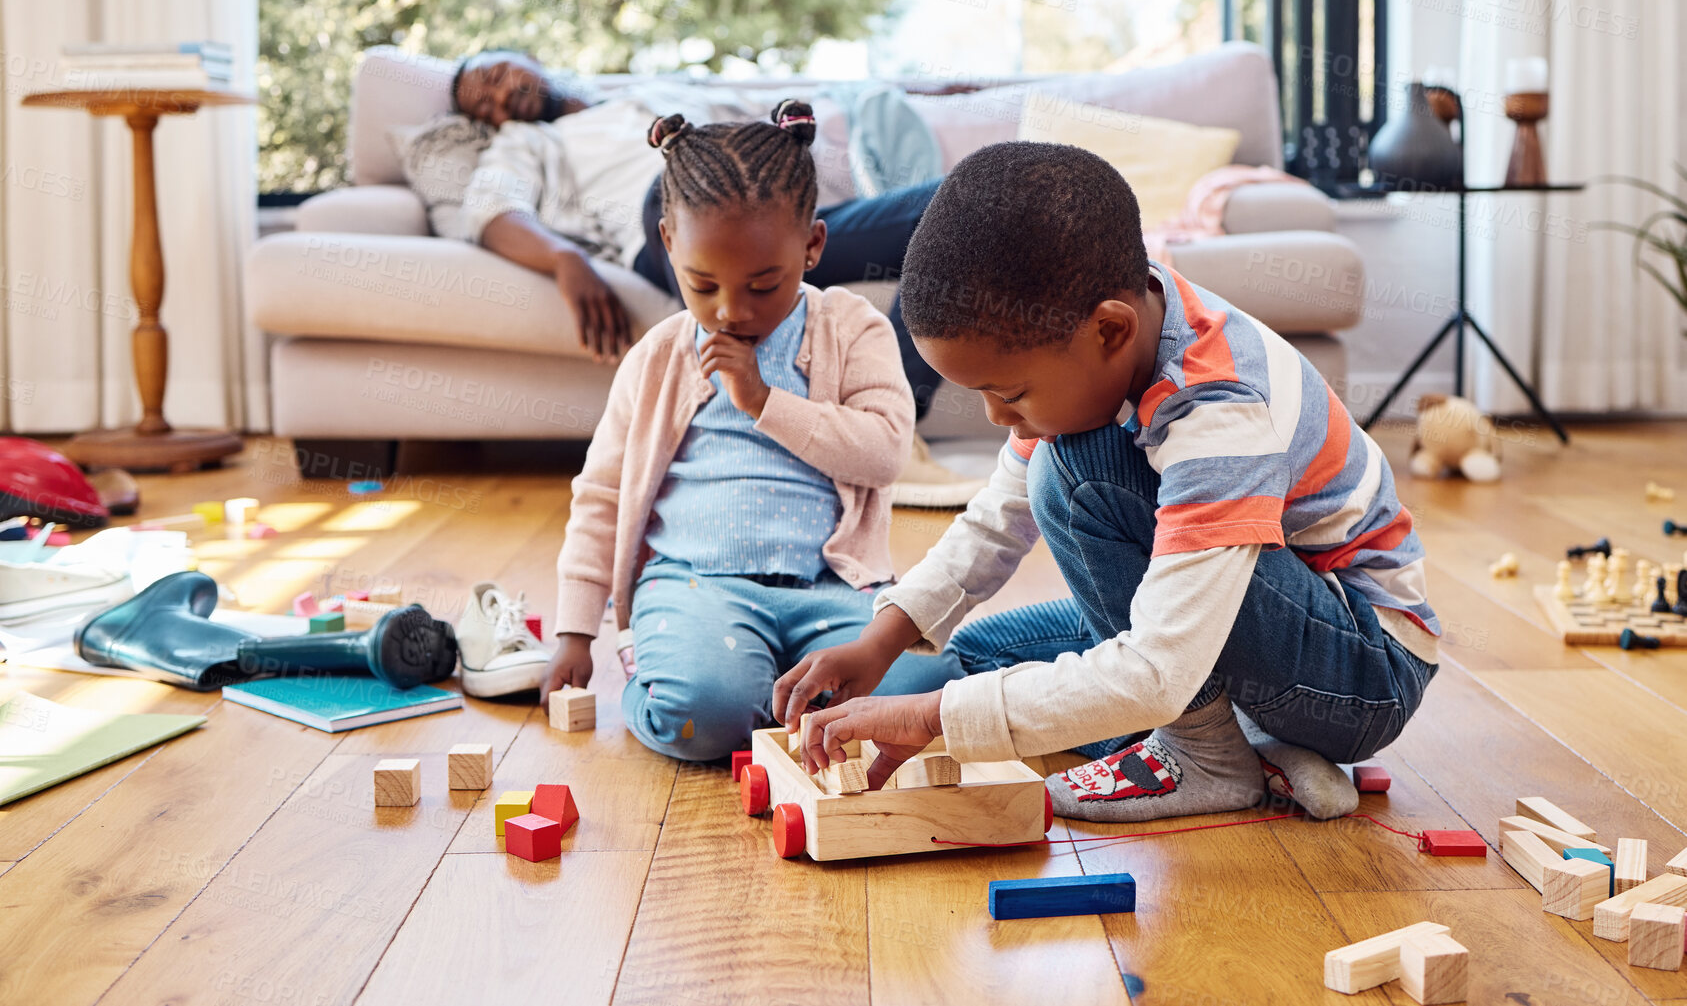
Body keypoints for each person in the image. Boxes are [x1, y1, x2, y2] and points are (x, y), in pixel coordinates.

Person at [772, 141, 1439, 824]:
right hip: (1253, 626)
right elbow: (998, 512)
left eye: (1010, 392)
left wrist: (932, 718)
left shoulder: (1219, 411)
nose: (997, 417)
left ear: (1109, 330)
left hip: (1363, 673)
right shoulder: (1113, 310)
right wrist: (882, 635)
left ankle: (1205, 755)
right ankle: (1259, 747)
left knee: (1080, 473)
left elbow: (1157, 667)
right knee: (976, 656)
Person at [536, 101, 961, 761]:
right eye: (702, 285)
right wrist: (572, 629)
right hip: (695, 584)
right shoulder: (657, 356)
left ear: (813, 246)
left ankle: (766, 694)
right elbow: (601, 493)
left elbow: (883, 453)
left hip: (832, 588)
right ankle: (707, 679)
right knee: (698, 716)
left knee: (926, 687)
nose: (732, 310)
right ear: (668, 244)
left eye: (764, 285)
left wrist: (764, 400)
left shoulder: (850, 329)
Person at [449, 50, 980, 507]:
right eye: (483, 106)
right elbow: (494, 210)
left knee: (956, 205)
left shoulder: (659, 88)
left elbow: (823, 103)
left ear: (529, 60)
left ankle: (882, 430)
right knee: (695, 189)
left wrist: (923, 92)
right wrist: (567, 260)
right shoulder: (534, 142)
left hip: (774, 213)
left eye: (496, 77)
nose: (499, 101)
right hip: (673, 212)